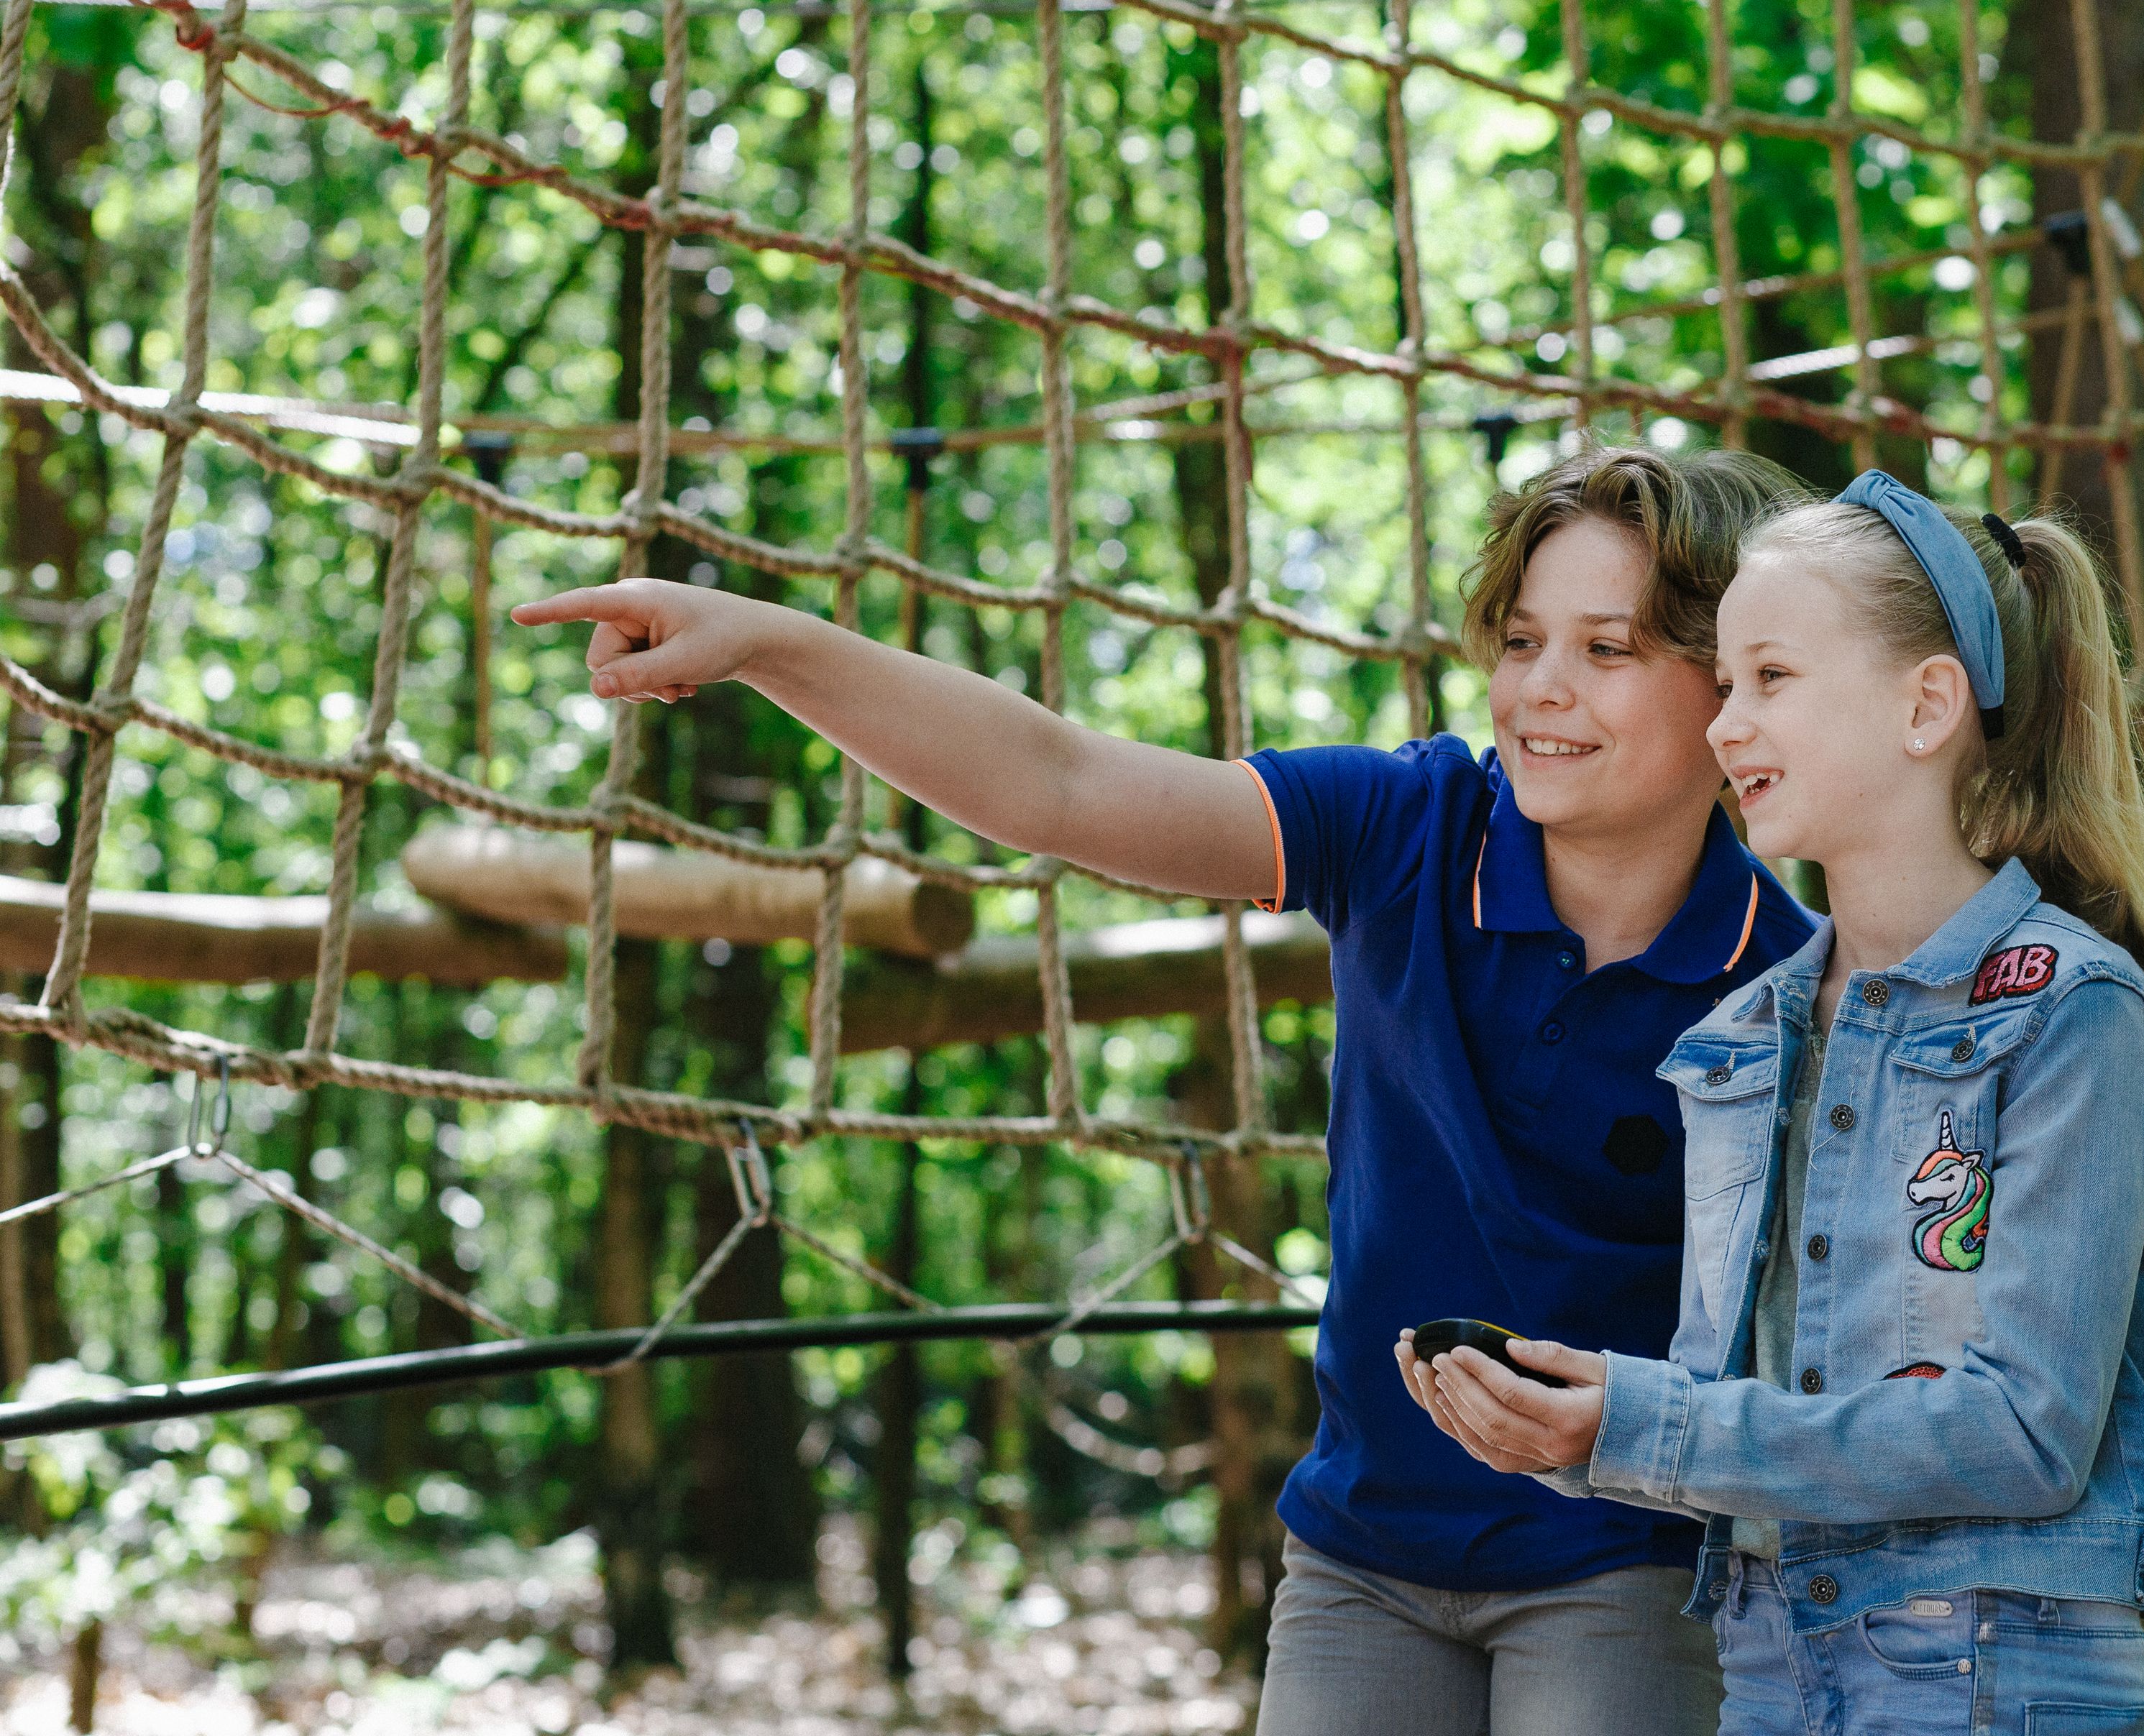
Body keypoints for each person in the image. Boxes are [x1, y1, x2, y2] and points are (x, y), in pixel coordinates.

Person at [513, 444, 1820, 1736]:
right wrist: (766, 642)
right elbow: (1059, 783)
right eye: (1521, 640)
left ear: (1731, 688)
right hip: (1367, 1552)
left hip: (1625, 1563)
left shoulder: (1787, 980)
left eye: (1607, 650)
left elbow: (1826, 1364)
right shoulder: (1405, 830)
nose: (1541, 689)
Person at [1407, 470, 2144, 1736]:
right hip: (1770, 1667)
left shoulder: (2068, 1011)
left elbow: (2026, 1433)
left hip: (1992, 1675)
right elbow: (1741, 1422)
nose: (1722, 726)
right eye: (1726, 686)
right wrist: (1567, 1426)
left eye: (1771, 680)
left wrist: (1643, 1425)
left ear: (1927, 706)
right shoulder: (1744, 1038)